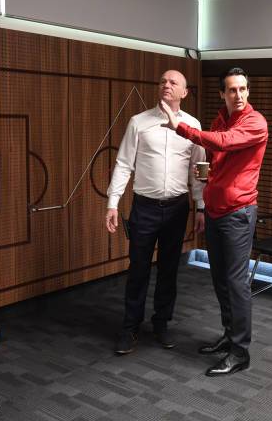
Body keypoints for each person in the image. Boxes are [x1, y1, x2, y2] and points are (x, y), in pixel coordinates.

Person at [160, 67, 268, 376]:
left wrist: (179, 126)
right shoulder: (221, 118)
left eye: (243, 89)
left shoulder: (254, 122)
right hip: (217, 211)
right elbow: (218, 153)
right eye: (232, 90)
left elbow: (224, 143)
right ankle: (228, 335)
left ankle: (240, 351)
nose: (239, 95)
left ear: (248, 92)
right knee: (220, 279)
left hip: (238, 214)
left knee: (236, 283)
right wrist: (208, 177)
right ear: (222, 93)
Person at [106, 70, 205, 355]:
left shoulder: (192, 126)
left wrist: (201, 207)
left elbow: (200, 170)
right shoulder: (139, 122)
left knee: (169, 270)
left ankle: (161, 323)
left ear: (184, 92)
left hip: (177, 208)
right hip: (145, 208)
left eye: (174, 82)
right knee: (137, 269)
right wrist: (112, 203)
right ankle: (130, 328)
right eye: (162, 80)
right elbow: (124, 164)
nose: (166, 85)